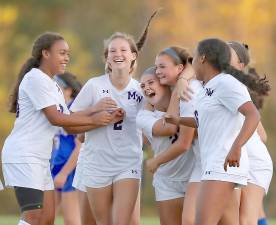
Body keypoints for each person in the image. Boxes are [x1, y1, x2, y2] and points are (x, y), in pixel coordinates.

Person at [1, 32, 117, 225]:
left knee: (47, 218)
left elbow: (69, 122)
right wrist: (96, 120)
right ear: (45, 53)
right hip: (24, 155)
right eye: (62, 53)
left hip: (40, 158)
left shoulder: (52, 84)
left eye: (68, 54)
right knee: (33, 217)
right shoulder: (35, 79)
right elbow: (57, 119)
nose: (66, 58)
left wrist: (101, 116)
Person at [165, 38, 268, 225]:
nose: (191, 63)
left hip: (222, 165)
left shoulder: (226, 83)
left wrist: (236, 147)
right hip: (216, 164)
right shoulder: (208, 87)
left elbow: (253, 115)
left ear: (203, 58)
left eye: (193, 57)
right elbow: (203, 122)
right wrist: (177, 120)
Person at [137, 67, 194, 225]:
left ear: (165, 83)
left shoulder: (188, 103)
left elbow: (192, 64)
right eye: (142, 86)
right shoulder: (144, 116)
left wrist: (181, 82)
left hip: (194, 177)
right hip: (167, 181)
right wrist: (177, 91)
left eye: (151, 82)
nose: (146, 87)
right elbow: (169, 128)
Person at [228, 41, 273, 225]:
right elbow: (262, 135)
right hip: (239, 162)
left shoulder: (236, 89)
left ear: (240, 66)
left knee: (246, 219)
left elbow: (261, 135)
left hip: (254, 163)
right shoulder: (219, 86)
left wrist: (241, 146)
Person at [50, 72, 83, 225]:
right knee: (46, 216)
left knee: (71, 220)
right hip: (56, 167)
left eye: (56, 88)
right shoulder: (56, 111)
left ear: (68, 90)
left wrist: (64, 173)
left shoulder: (75, 109)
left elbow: (80, 146)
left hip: (70, 170)